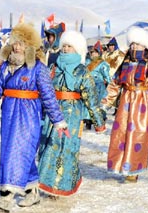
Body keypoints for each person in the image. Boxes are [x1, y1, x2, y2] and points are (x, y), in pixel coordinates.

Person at [0, 22, 67, 211]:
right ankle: (32, 192)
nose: (16, 47)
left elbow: (48, 96)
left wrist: (58, 120)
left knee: (15, 153)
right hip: (9, 114)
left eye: (21, 43)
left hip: (29, 116)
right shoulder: (6, 66)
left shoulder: (38, 69)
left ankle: (5, 197)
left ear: (30, 46)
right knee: (19, 153)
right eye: (15, 42)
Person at [35, 30, 104, 198]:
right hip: (52, 112)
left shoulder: (82, 71)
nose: (65, 49)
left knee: (65, 149)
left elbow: (91, 98)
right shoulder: (53, 67)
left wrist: (98, 122)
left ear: (77, 49)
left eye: (70, 47)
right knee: (47, 146)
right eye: (64, 46)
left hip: (72, 115)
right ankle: (43, 183)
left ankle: (61, 185)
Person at [103, 27, 148, 180]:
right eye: (132, 44)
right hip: (126, 102)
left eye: (138, 45)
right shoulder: (124, 63)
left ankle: (134, 169)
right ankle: (119, 165)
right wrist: (106, 102)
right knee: (120, 135)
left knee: (138, 135)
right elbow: (115, 84)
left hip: (143, 102)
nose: (134, 47)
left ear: (145, 46)